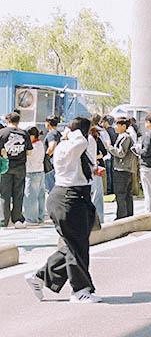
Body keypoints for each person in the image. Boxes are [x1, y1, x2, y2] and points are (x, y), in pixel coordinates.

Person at [25, 116, 105, 304]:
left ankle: (40, 277)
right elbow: (81, 143)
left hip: (77, 197)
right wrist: (72, 132)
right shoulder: (67, 145)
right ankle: (80, 290)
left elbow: (79, 164)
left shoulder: (75, 147)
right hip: (67, 198)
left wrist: (94, 170)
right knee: (77, 246)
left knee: (73, 244)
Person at [0, 111, 30, 227]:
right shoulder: (24, 133)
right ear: (18, 121)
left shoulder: (2, 132)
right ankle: (17, 219)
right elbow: (29, 152)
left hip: (5, 167)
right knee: (18, 194)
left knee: (4, 194)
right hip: (20, 167)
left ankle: (3, 220)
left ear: (7, 120)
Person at [110, 117, 137, 219]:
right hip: (124, 169)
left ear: (124, 126)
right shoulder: (122, 136)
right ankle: (128, 215)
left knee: (121, 194)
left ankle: (122, 216)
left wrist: (110, 148)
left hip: (122, 169)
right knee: (126, 195)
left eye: (117, 125)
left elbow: (121, 153)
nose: (115, 127)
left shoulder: (125, 137)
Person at [23, 126, 47, 225]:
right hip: (40, 172)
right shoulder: (40, 144)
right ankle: (40, 217)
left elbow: (27, 156)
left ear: (32, 136)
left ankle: (31, 219)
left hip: (31, 173)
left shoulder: (33, 146)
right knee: (40, 197)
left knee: (30, 197)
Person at [43, 116, 61, 194]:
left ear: (48, 123)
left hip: (50, 165)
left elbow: (52, 146)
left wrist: (46, 157)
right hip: (56, 163)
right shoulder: (58, 133)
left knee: (51, 188)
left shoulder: (51, 133)